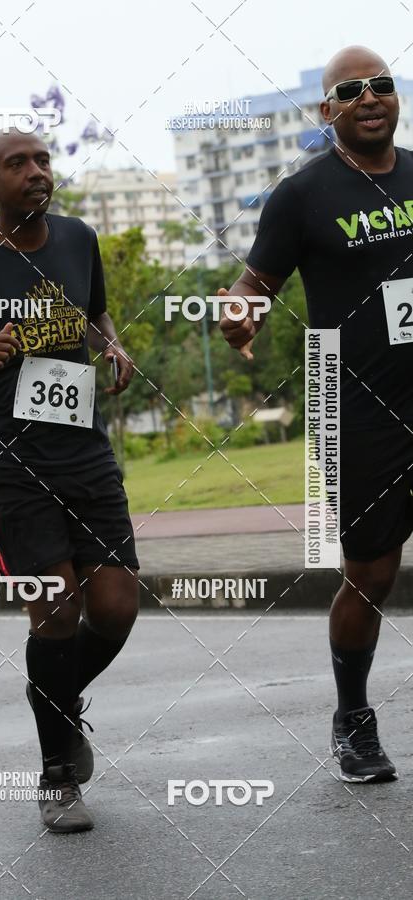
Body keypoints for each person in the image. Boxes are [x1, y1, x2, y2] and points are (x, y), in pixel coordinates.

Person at [0, 129, 139, 831]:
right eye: (17, 164)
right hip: (6, 460)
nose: (37, 172)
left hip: (84, 450)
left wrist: (112, 343)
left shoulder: (77, 238)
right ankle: (56, 776)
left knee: (117, 607)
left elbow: (95, 310)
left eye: (42, 160)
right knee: (57, 610)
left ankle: (57, 702)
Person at [219, 45, 413, 783]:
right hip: (359, 409)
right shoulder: (302, 195)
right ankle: (353, 720)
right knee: (371, 574)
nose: (371, 98)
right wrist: (239, 316)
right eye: (352, 90)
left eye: (383, 86)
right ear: (328, 109)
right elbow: (253, 282)